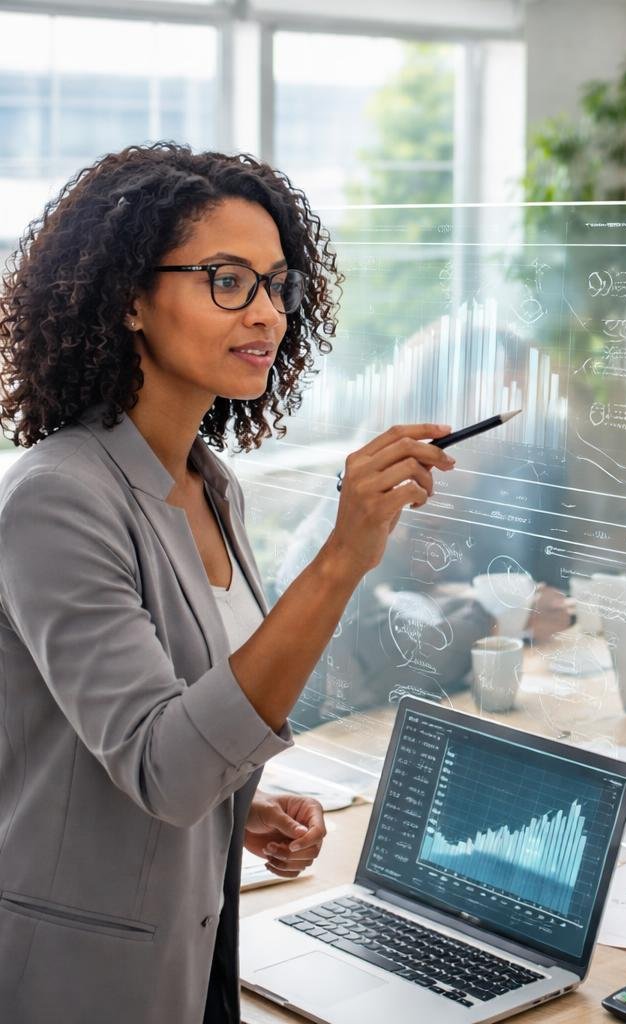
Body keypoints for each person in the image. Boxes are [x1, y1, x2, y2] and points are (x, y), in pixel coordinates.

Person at [0, 144, 456, 1022]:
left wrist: (238, 807)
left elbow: (183, 726)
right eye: (225, 280)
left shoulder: (212, 485)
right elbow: (163, 768)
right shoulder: (57, 500)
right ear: (129, 298)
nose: (266, 315)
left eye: (278, 285)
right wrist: (341, 557)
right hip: (73, 979)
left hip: (196, 947)